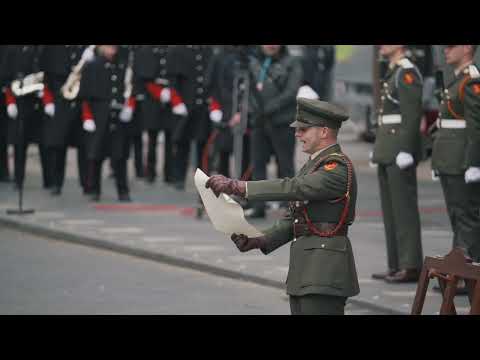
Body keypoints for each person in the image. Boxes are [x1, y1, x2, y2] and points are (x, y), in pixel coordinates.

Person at [206, 98, 360, 315]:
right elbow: (297, 218)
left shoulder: (336, 167)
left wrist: (238, 186)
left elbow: (293, 187)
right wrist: (259, 240)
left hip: (325, 271)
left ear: (324, 131)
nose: (298, 135)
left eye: (304, 129)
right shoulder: (314, 164)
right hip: (307, 271)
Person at [370, 45, 424, 283]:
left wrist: (406, 149)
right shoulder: (393, 71)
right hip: (387, 147)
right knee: (391, 211)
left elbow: (412, 115)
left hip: (398, 148)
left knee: (403, 210)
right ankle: (396, 264)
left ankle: (411, 264)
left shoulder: (407, 72)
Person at [431, 45, 480, 267]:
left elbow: (476, 126)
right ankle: (459, 269)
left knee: (466, 217)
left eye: (451, 47)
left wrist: (474, 162)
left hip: (461, 161)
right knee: (456, 217)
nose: (446, 51)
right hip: (450, 159)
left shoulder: (471, 80)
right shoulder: (457, 79)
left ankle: (466, 272)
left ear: (467, 48)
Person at [245, 45, 303, 218]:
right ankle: (258, 205)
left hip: (281, 122)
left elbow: (291, 91)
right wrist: (254, 109)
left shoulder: (291, 62)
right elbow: (247, 89)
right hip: (259, 123)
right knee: (258, 165)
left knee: (285, 165)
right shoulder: (253, 63)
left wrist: (269, 108)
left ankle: (290, 205)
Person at [79, 45, 134, 202]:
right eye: (109, 47)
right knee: (96, 156)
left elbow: (129, 89)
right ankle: (95, 190)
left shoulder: (122, 65)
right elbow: (85, 97)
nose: (112, 50)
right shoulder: (92, 66)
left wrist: (128, 108)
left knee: (120, 156)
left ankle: (123, 190)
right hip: (98, 115)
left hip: (118, 116)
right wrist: (87, 117)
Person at [39, 45, 93, 196]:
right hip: (60, 103)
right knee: (58, 146)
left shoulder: (87, 49)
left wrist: (91, 61)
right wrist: (48, 101)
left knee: (85, 146)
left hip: (82, 103)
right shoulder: (53, 50)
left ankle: (87, 183)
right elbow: (45, 78)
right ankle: (57, 183)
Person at [3, 45, 51, 191]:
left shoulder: (42, 51)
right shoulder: (13, 51)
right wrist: (10, 102)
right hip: (21, 103)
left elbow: (48, 77)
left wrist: (47, 100)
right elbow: (7, 79)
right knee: (20, 145)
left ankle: (48, 180)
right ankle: (19, 180)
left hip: (39, 104)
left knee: (45, 144)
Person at [166, 45, 214, 190]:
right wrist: (176, 102)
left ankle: (203, 177)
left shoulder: (207, 50)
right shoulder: (177, 50)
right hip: (185, 104)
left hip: (203, 105)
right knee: (182, 143)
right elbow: (173, 80)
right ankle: (179, 177)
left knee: (203, 143)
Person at [132, 45, 174, 184]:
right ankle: (150, 172)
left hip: (170, 100)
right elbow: (144, 78)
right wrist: (158, 92)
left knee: (170, 138)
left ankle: (169, 173)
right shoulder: (146, 51)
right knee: (152, 138)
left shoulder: (171, 51)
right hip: (152, 100)